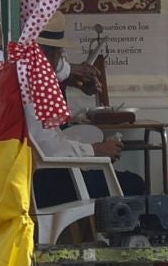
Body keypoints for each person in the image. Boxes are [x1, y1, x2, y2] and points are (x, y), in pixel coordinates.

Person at [27, 30, 142, 205]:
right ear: (52, 57)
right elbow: (50, 149)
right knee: (133, 183)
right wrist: (96, 150)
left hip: (40, 177)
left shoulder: (28, 86)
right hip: (46, 183)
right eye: (61, 59)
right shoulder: (32, 94)